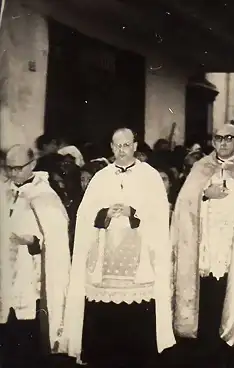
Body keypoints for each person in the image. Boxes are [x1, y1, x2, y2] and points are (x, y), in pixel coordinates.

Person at [60, 128, 175, 367]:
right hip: (105, 262)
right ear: (111, 148)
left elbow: (159, 216)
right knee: (104, 326)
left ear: (135, 146)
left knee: (134, 329)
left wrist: (135, 213)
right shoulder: (101, 177)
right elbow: (84, 216)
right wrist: (103, 214)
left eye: (126, 145)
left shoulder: (150, 176)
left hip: (139, 264)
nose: (121, 151)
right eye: (116, 146)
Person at [172, 123, 234, 353]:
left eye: (228, 138)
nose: (223, 143)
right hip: (206, 249)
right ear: (213, 141)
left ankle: (232, 350)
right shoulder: (201, 167)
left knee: (232, 298)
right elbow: (184, 204)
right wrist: (205, 195)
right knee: (209, 303)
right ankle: (207, 352)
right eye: (218, 138)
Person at [0, 145, 71, 367]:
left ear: (32, 165)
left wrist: (32, 241)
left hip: (30, 277)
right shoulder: (2, 191)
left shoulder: (45, 196)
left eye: (18, 168)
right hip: (4, 275)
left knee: (26, 339)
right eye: (8, 168)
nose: (13, 173)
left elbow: (57, 238)